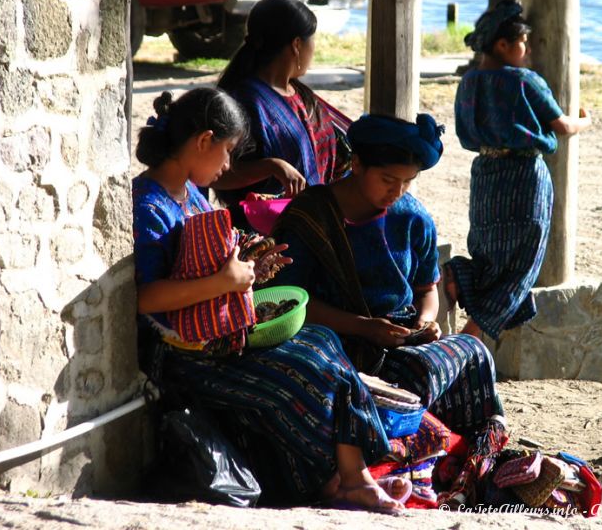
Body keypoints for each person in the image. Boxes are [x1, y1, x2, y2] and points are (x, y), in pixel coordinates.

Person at [132, 87, 409, 512]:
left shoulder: (189, 195)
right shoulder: (148, 204)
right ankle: (334, 480)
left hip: (219, 334)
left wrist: (250, 270)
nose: (228, 167)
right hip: (184, 356)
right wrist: (224, 281)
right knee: (306, 371)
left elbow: (204, 268)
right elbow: (146, 298)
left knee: (323, 343)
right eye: (226, 153)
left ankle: (352, 477)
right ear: (203, 141)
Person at [270, 113, 506, 443]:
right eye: (387, 179)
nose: (397, 191)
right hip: (333, 341)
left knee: (474, 350)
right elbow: (287, 301)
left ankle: (470, 449)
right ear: (357, 164)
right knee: (417, 374)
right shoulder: (310, 217)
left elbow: (426, 289)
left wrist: (424, 322)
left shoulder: (413, 217)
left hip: (399, 337)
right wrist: (365, 327)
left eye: (407, 181)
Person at [448, 0, 591, 341]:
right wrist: (586, 121)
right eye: (523, 43)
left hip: (485, 172)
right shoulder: (524, 81)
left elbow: (464, 133)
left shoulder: (468, 83)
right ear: (503, 45)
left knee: (487, 250)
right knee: (521, 264)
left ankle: (453, 281)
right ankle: (470, 337)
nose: (527, 51)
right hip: (524, 176)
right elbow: (561, 125)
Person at [212, 0, 352, 211]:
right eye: (312, 39)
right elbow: (215, 174)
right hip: (264, 229)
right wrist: (270, 167)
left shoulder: (299, 93)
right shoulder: (244, 102)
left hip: (315, 218)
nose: (314, 48)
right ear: (297, 44)